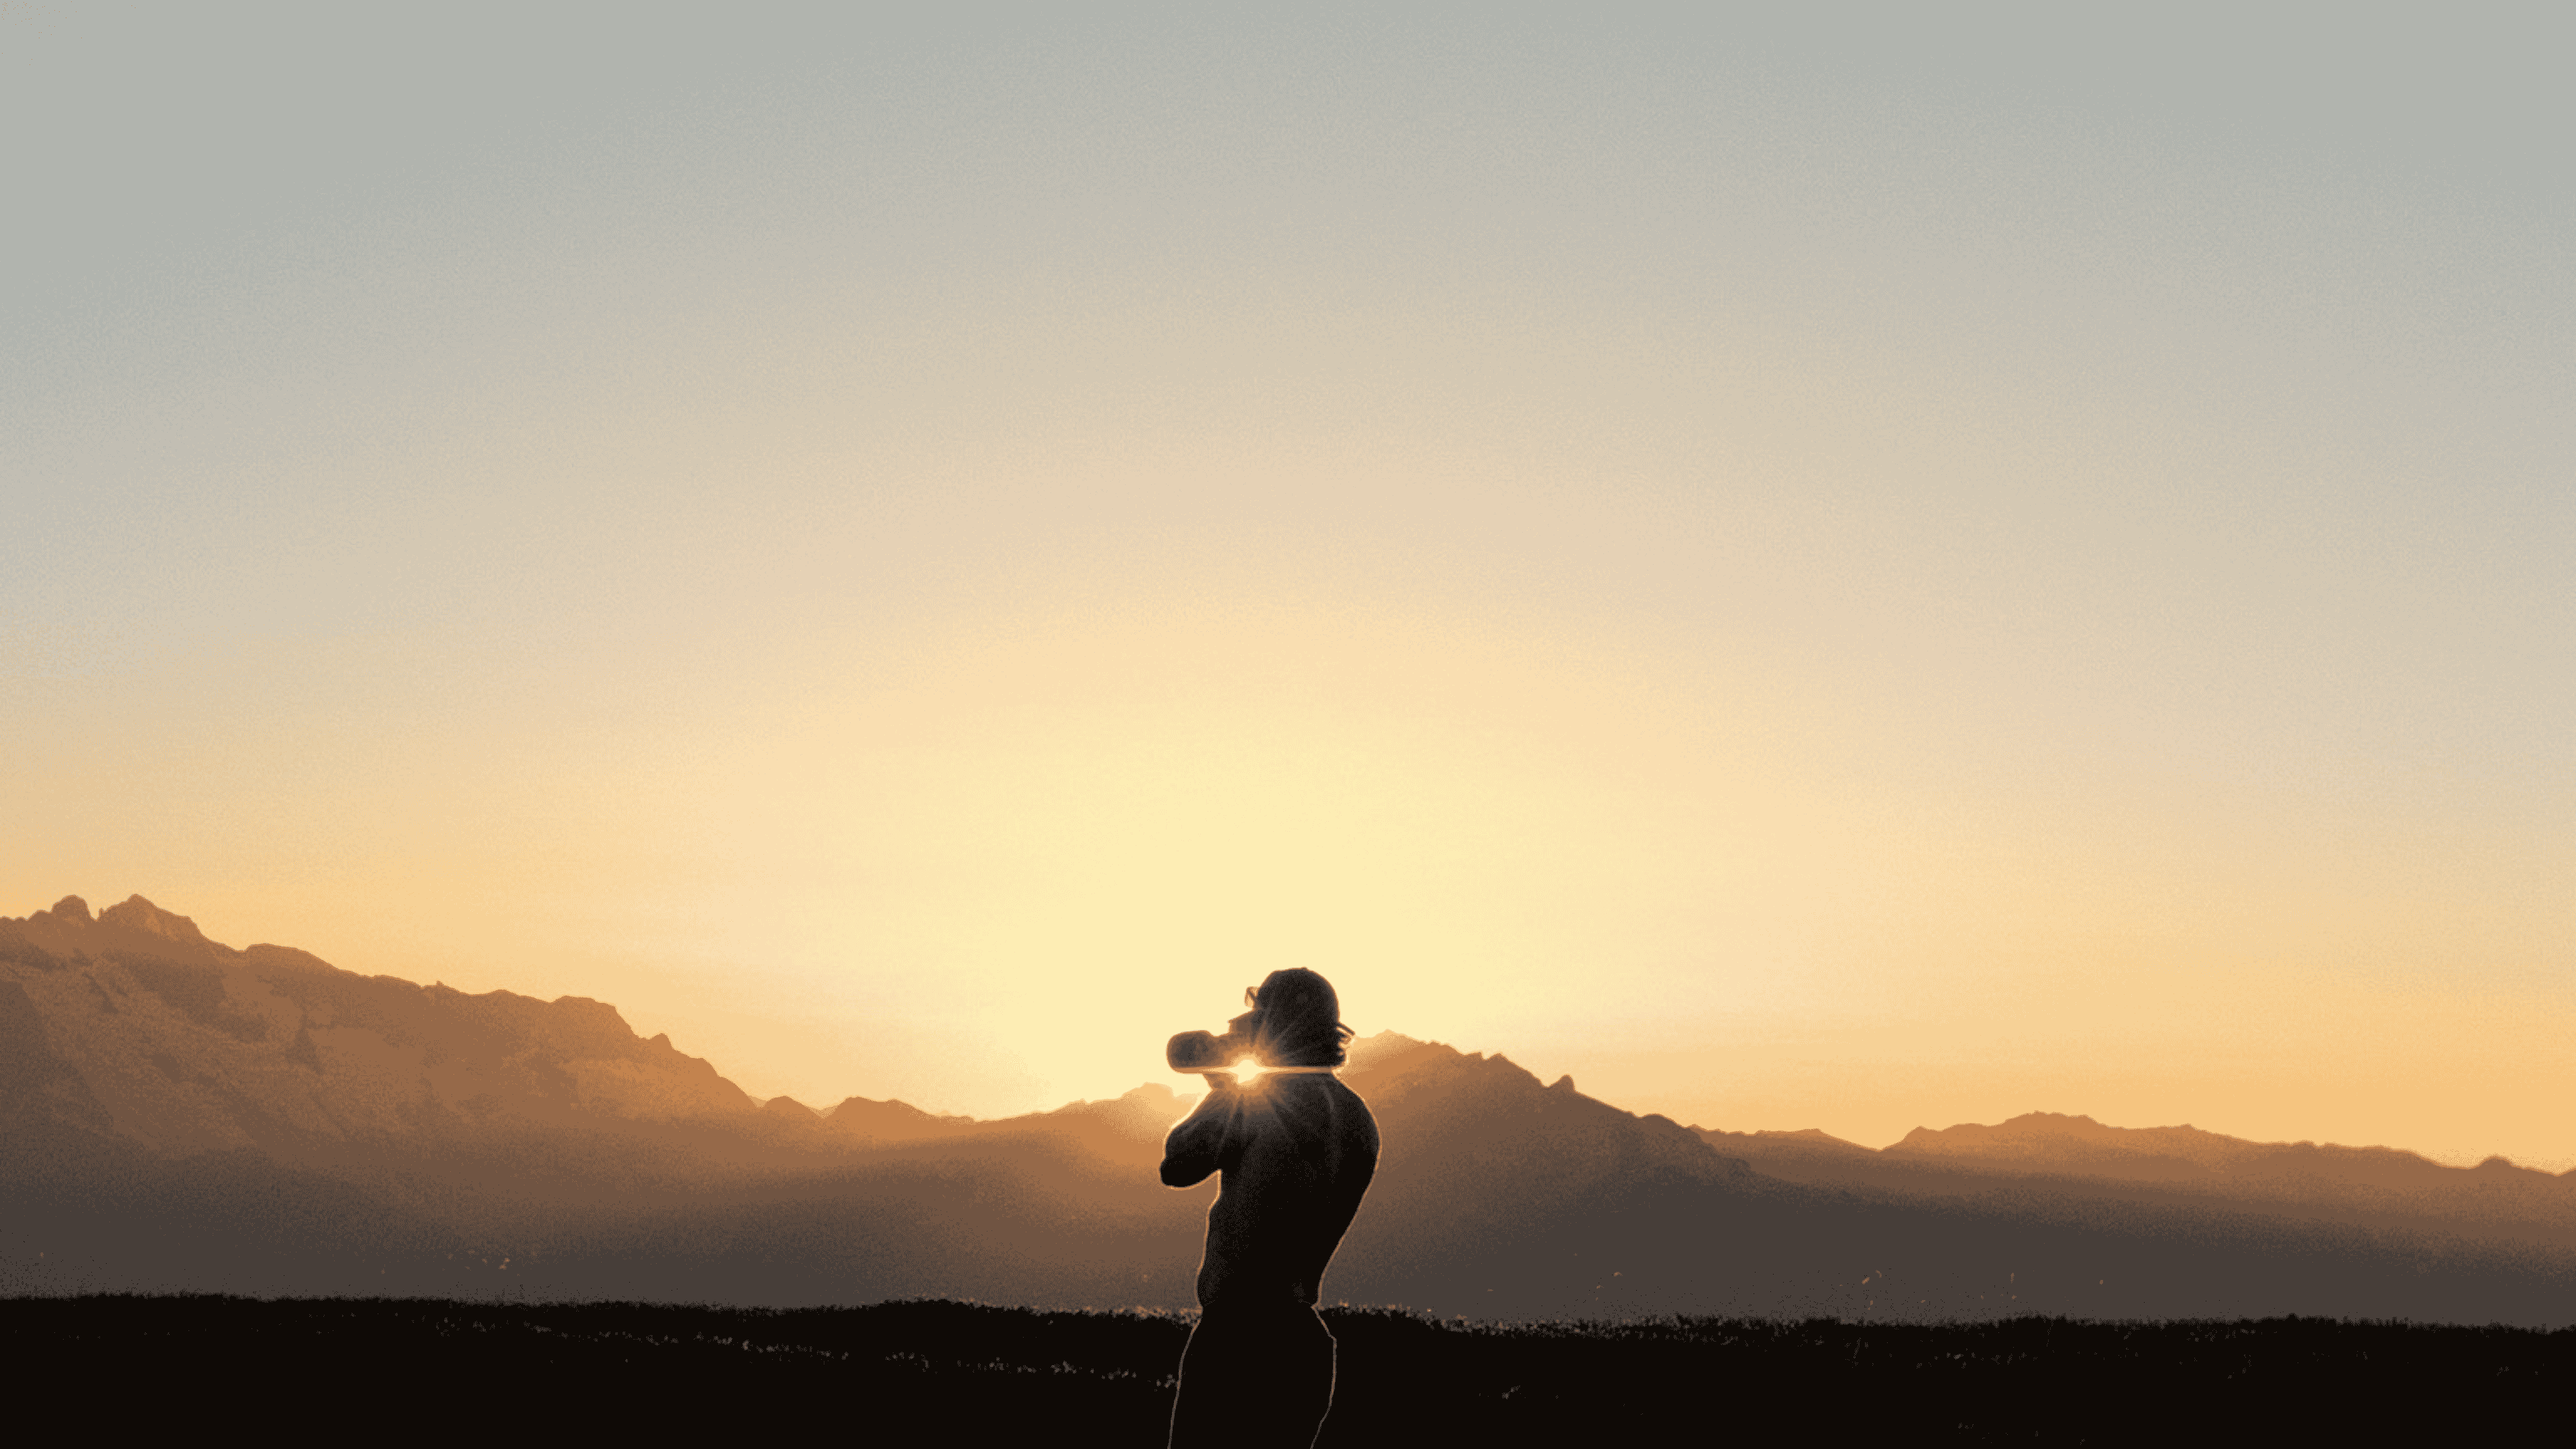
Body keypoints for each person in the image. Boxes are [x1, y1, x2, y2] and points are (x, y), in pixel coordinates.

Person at [1161, 968, 1379, 1449]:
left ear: (1272, 1024)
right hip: (1305, 1346)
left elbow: (1177, 1165)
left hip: (1238, 1337)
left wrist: (1222, 1085)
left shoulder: (1260, 1099)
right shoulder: (1358, 1119)